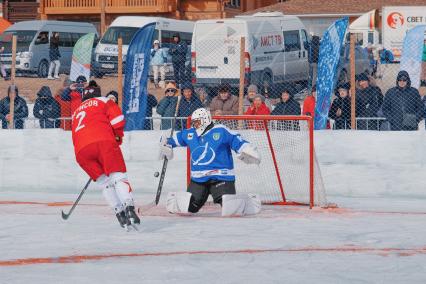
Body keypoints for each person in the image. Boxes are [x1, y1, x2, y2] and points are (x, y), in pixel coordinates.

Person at [160, 108, 262, 216]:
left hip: (221, 176)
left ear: (205, 120)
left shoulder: (221, 130)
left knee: (228, 205)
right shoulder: (190, 133)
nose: (195, 125)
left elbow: (236, 140)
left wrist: (246, 149)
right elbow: (173, 140)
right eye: (194, 122)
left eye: (197, 122)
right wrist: (166, 143)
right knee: (189, 207)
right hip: (198, 178)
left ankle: (248, 202)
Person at [71, 85, 140, 230]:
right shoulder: (103, 100)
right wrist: (117, 136)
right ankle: (129, 208)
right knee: (118, 177)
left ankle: (119, 213)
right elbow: (118, 121)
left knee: (105, 183)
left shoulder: (76, 111)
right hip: (103, 143)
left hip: (81, 152)